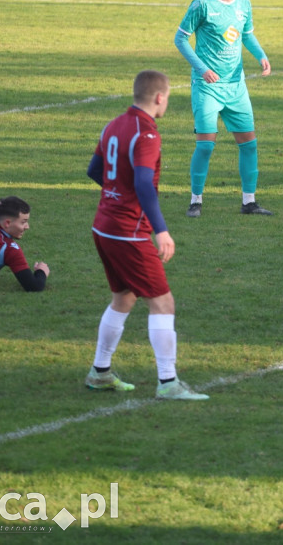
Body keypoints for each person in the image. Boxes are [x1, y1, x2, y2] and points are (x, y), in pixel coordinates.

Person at [85, 70, 208, 401]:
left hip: (103, 226)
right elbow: (141, 184)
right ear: (159, 97)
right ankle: (168, 382)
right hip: (128, 231)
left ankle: (100, 372)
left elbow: (94, 171)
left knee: (124, 297)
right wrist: (161, 230)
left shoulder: (113, 124)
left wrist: (115, 194)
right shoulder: (147, 133)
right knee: (162, 301)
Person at [175, 0, 273, 218]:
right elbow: (181, 39)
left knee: (249, 145)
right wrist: (202, 69)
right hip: (208, 87)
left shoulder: (244, 2)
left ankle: (249, 202)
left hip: (236, 87)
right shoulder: (202, 5)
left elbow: (247, 34)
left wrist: (260, 55)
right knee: (206, 145)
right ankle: (195, 200)